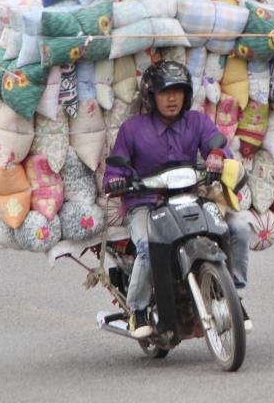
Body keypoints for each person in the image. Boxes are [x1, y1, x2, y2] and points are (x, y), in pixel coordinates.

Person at [103, 60, 252, 339]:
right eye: (163, 92)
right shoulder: (132, 129)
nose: (171, 98)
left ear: (186, 94)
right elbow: (114, 170)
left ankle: (232, 294)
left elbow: (216, 144)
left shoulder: (196, 121)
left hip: (189, 197)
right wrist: (117, 180)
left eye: (178, 91)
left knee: (239, 229)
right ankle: (137, 310)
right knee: (148, 247)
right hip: (146, 204)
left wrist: (216, 156)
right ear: (151, 96)